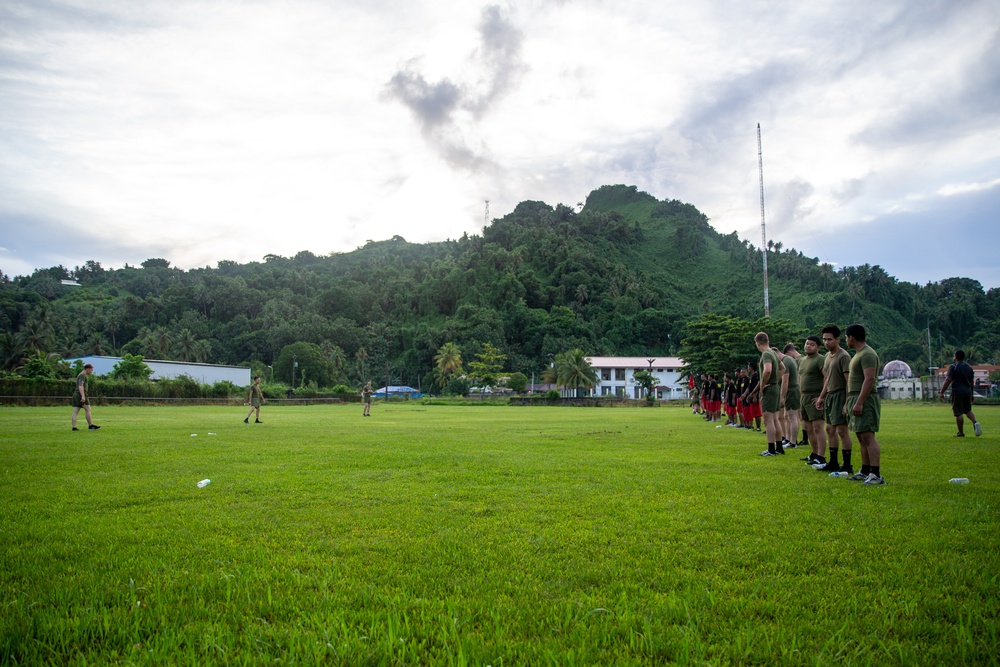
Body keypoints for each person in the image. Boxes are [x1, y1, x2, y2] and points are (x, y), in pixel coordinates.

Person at [845, 324, 885, 485]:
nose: (846, 340)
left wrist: (860, 402)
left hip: (865, 399)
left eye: (846, 337)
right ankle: (865, 470)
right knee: (861, 436)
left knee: (868, 436)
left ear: (852, 337)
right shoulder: (858, 354)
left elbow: (869, 379)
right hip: (855, 397)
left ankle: (876, 474)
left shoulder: (868, 354)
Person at [814, 325, 853, 474]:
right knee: (830, 429)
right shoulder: (827, 357)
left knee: (842, 430)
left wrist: (846, 403)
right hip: (830, 395)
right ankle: (833, 462)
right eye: (824, 339)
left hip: (840, 395)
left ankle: (847, 465)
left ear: (838, 339)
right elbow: (828, 379)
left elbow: (848, 381)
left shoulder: (843, 356)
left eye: (829, 339)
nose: (826, 342)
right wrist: (822, 397)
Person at [798, 335, 827, 465]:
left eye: (812, 344)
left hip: (815, 396)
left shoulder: (820, 359)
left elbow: (827, 377)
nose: (808, 346)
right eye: (807, 343)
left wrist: (822, 396)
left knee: (818, 427)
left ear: (818, 347)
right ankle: (814, 452)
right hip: (804, 396)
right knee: (807, 427)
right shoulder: (803, 360)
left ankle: (821, 455)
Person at [940, 350, 983, 437]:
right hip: (967, 391)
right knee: (968, 410)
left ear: (956, 357)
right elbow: (971, 382)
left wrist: (942, 392)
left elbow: (948, 379)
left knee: (958, 413)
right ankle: (975, 422)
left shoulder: (953, 366)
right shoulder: (969, 367)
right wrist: (971, 394)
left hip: (957, 392)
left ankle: (960, 432)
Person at [755, 332, 784, 456]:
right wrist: (775, 380)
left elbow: (767, 370)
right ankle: (779, 447)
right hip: (775, 387)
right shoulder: (773, 352)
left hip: (769, 389)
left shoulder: (766, 354)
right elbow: (783, 368)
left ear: (758, 343)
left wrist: (762, 385)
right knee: (775, 419)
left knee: (768, 420)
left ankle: (771, 449)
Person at [71, 363, 100, 430]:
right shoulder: (82, 375)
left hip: (76, 394)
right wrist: (83, 396)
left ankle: (74, 427)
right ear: (87, 369)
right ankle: (91, 425)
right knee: (88, 409)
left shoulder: (81, 375)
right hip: (80, 394)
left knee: (75, 411)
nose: (91, 372)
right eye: (91, 370)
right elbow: (80, 386)